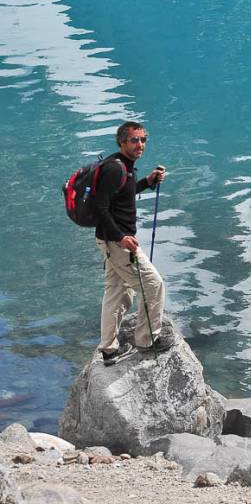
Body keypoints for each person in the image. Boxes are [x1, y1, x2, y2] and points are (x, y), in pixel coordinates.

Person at [92, 121, 173, 365]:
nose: (140, 145)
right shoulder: (115, 169)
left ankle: (108, 349)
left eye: (143, 140)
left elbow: (123, 196)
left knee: (117, 293)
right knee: (153, 285)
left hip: (111, 241)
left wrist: (147, 181)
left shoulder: (124, 167)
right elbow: (100, 207)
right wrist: (120, 237)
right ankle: (147, 341)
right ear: (121, 142)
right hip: (117, 243)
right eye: (134, 140)